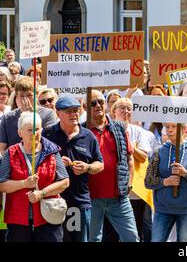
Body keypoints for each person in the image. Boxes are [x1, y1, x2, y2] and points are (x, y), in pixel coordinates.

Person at [42, 96, 104, 242]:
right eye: (68, 111)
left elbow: (100, 164)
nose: (74, 114)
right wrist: (55, 163)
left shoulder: (88, 135)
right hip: (52, 201)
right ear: (58, 113)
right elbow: (37, 161)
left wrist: (87, 167)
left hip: (78, 201)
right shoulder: (48, 134)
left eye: (76, 111)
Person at [0, 112, 69, 242]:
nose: (34, 133)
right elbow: (2, 184)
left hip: (48, 215)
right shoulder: (11, 152)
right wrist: (24, 184)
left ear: (42, 130)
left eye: (37, 129)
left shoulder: (52, 151)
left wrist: (42, 193)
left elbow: (65, 182)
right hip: (18, 217)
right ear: (20, 133)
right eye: (30, 130)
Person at [85, 90, 139, 242]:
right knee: (92, 239)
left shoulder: (118, 128)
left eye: (101, 102)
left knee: (131, 238)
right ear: (84, 106)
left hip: (118, 197)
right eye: (93, 103)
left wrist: (129, 184)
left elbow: (129, 159)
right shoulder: (82, 131)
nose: (98, 106)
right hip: (91, 198)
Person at [145, 122, 187, 242]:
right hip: (163, 208)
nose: (170, 130)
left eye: (174, 126)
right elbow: (148, 181)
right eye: (167, 127)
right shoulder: (159, 151)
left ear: (183, 129)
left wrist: (186, 173)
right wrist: (165, 182)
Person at [111, 97, 157, 242]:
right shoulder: (108, 130)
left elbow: (143, 157)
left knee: (136, 230)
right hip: (113, 188)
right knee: (113, 231)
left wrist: (129, 145)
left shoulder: (139, 131)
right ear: (114, 112)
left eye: (129, 108)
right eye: (122, 108)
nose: (126, 111)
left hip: (136, 190)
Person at [0, 76, 58, 154]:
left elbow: (49, 144)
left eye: (29, 95)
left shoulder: (48, 114)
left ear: (36, 95)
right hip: (14, 163)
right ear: (16, 97)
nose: (25, 99)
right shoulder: (7, 118)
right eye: (22, 96)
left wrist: (31, 115)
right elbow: (2, 148)